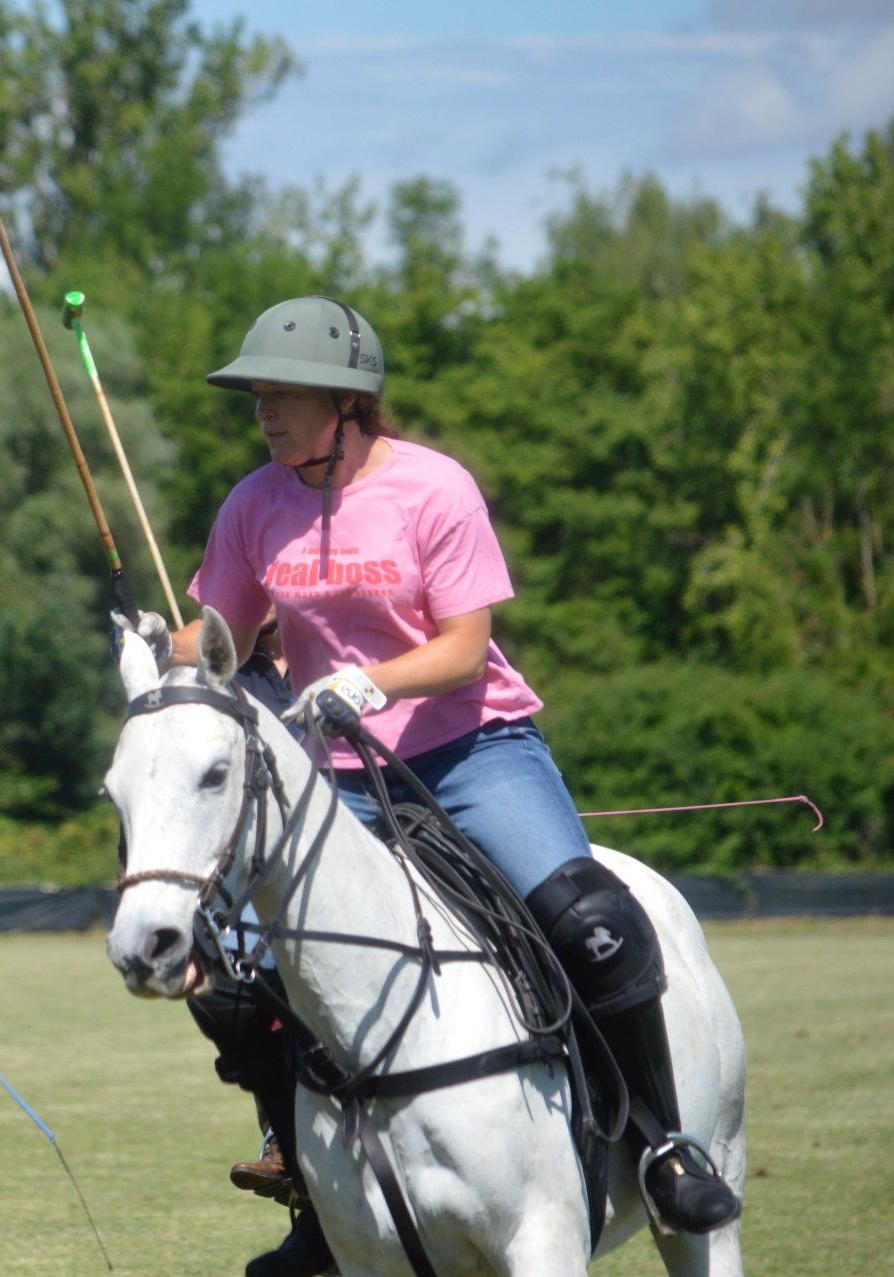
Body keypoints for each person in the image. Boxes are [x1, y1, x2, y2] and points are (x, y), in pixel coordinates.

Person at [132, 296, 741, 1276]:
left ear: (346, 401)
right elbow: (224, 638)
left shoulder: (433, 487)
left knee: (593, 920)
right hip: (335, 779)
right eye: (257, 396)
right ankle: (317, 1190)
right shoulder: (255, 503)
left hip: (471, 750)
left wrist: (371, 679)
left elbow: (463, 648)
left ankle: (664, 1145)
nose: (263, 412)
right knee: (240, 976)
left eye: (282, 394)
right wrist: (163, 642)